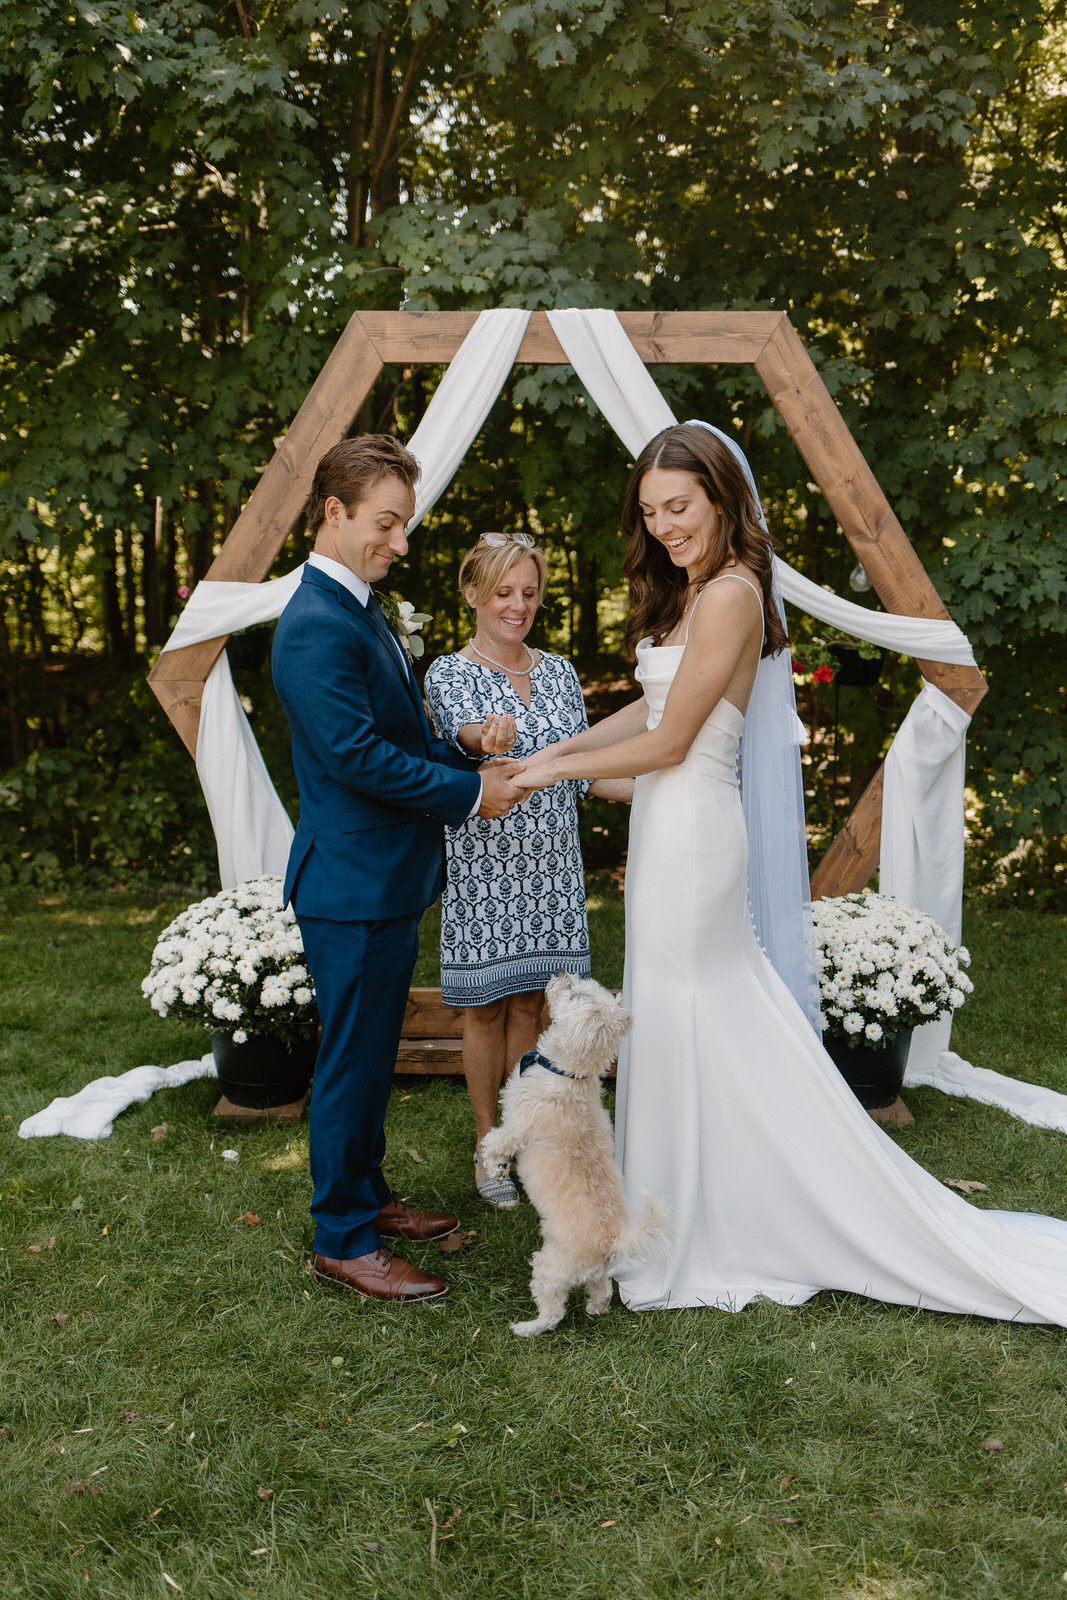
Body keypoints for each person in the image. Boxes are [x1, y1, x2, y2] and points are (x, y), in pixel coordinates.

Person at [514, 421, 1067, 1324]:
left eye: (680, 506)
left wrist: (539, 771)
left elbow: (670, 740)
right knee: (681, 1012)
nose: (664, 526)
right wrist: (548, 751)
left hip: (693, 833)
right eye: (651, 511)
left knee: (700, 1009)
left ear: (723, 499)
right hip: (669, 822)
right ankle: (682, 1206)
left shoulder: (731, 592)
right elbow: (639, 712)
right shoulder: (695, 595)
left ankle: (710, 1218)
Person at [272, 435, 524, 1304]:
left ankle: (367, 1196)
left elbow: (395, 730)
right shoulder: (312, 625)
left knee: (371, 1052)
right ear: (333, 513)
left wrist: (458, 744)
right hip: (348, 884)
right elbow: (352, 757)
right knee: (348, 1060)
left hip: (381, 877)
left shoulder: (361, 607)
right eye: (387, 523)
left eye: (405, 525)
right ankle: (341, 1236)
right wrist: (468, 793)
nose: (401, 543)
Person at [424, 532, 632, 1208]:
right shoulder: (448, 674)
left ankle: (523, 1136)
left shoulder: (562, 673)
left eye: (528, 593)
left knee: (528, 1006)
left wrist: (667, 787)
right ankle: (488, 1149)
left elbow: (580, 771)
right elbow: (465, 740)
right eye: (503, 592)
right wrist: (484, 740)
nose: (517, 605)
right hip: (485, 867)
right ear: (473, 594)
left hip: (552, 870)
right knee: (484, 1010)